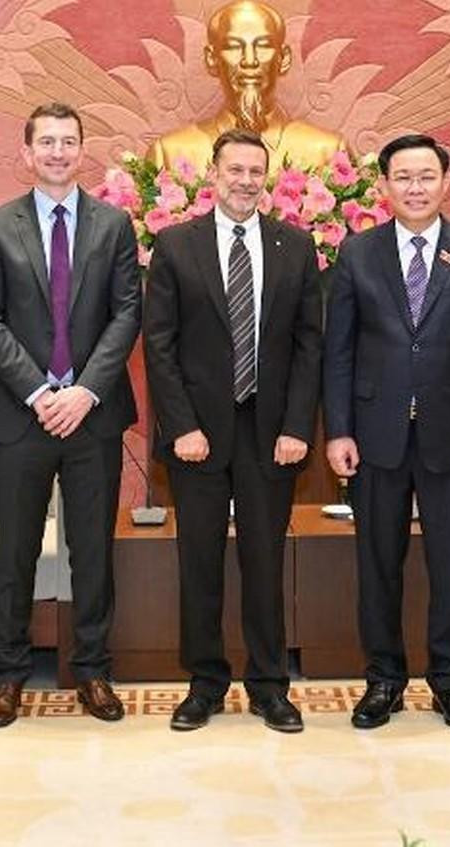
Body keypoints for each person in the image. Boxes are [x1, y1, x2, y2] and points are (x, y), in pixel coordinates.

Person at [323, 133, 450, 732]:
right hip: (375, 434)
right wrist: (338, 430)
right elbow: (339, 352)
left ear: (445, 182)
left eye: (426, 176)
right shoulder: (357, 253)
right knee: (378, 562)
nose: (414, 187)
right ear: (383, 186)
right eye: (402, 177)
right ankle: (383, 680)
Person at [0, 102, 143, 727]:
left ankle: (92, 671)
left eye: (69, 142)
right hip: (21, 416)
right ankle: (8, 676)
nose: (59, 152)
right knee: (15, 549)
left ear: (82, 150)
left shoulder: (113, 224)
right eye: (47, 142)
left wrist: (84, 391)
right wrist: (41, 393)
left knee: (92, 551)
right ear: (27, 152)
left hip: (92, 416)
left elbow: (127, 312)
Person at [143, 129, 324, 734]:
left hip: (271, 434)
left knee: (264, 561)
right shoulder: (174, 246)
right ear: (213, 176)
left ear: (265, 179)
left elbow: (309, 345)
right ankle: (205, 683)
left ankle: (270, 685)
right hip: (199, 435)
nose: (246, 181)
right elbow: (159, 347)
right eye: (235, 170)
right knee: (199, 561)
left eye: (256, 172)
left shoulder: (296, 246)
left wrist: (299, 424)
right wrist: (181, 427)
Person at [148, 0, 348, 172]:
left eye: (263, 46)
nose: (249, 60)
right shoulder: (169, 154)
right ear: (211, 59)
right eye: (233, 46)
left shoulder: (329, 153)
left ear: (284, 59)